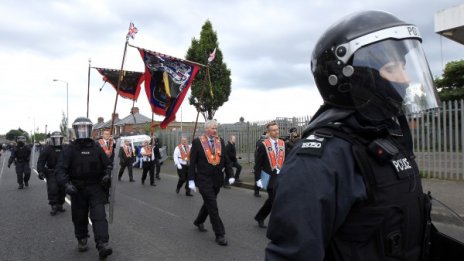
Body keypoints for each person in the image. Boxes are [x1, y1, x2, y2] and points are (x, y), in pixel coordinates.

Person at [266, 10, 441, 260]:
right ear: (350, 77)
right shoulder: (318, 160)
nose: (406, 79)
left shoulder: (386, 140)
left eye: (404, 67)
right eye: (393, 68)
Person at [56, 117, 113, 259]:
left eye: (85, 127)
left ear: (89, 129)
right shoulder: (69, 149)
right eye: (79, 128)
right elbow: (60, 170)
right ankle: (81, 238)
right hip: (77, 189)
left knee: (99, 215)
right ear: (75, 130)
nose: (82, 130)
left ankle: (102, 244)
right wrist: (66, 184)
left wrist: (106, 175)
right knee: (79, 216)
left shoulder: (96, 147)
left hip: (95, 187)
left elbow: (107, 165)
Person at [188, 120, 234, 246]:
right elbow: (192, 163)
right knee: (213, 206)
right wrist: (191, 180)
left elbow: (226, 159)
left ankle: (199, 221)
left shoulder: (221, 141)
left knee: (208, 203)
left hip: (217, 180)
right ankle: (220, 234)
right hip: (203, 180)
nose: (215, 130)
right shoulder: (197, 142)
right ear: (206, 129)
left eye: (216, 128)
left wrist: (230, 174)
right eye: (213, 128)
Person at [254, 121, 285, 228]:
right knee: (275, 201)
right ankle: (279, 225)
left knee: (271, 201)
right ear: (269, 132)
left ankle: (260, 216)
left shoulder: (282, 143)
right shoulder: (263, 145)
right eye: (274, 130)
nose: (277, 132)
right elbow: (258, 164)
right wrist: (257, 179)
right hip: (269, 178)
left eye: (277, 129)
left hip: (281, 177)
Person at [37, 131, 66, 216]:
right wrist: (40, 171)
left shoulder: (65, 148)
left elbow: (71, 160)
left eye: (59, 139)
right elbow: (41, 161)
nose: (57, 141)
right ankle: (53, 205)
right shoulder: (47, 149)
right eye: (55, 139)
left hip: (63, 172)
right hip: (51, 171)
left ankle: (60, 204)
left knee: (63, 189)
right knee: (53, 188)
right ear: (52, 139)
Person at [253, 132, 267, 197]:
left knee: (260, 177)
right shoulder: (260, 144)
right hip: (259, 164)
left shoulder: (261, 143)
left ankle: (257, 190)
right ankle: (256, 191)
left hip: (261, 164)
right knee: (258, 178)